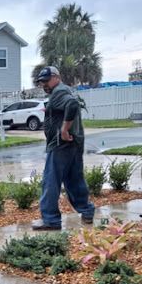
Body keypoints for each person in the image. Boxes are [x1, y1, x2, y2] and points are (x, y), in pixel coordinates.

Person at [31, 66, 94, 231]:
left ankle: (50, 220)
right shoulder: (65, 90)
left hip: (60, 144)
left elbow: (72, 105)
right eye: (41, 82)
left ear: (56, 77)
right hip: (74, 143)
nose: (44, 84)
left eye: (46, 80)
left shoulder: (59, 92)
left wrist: (64, 130)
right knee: (74, 180)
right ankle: (86, 210)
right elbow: (70, 105)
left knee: (50, 181)